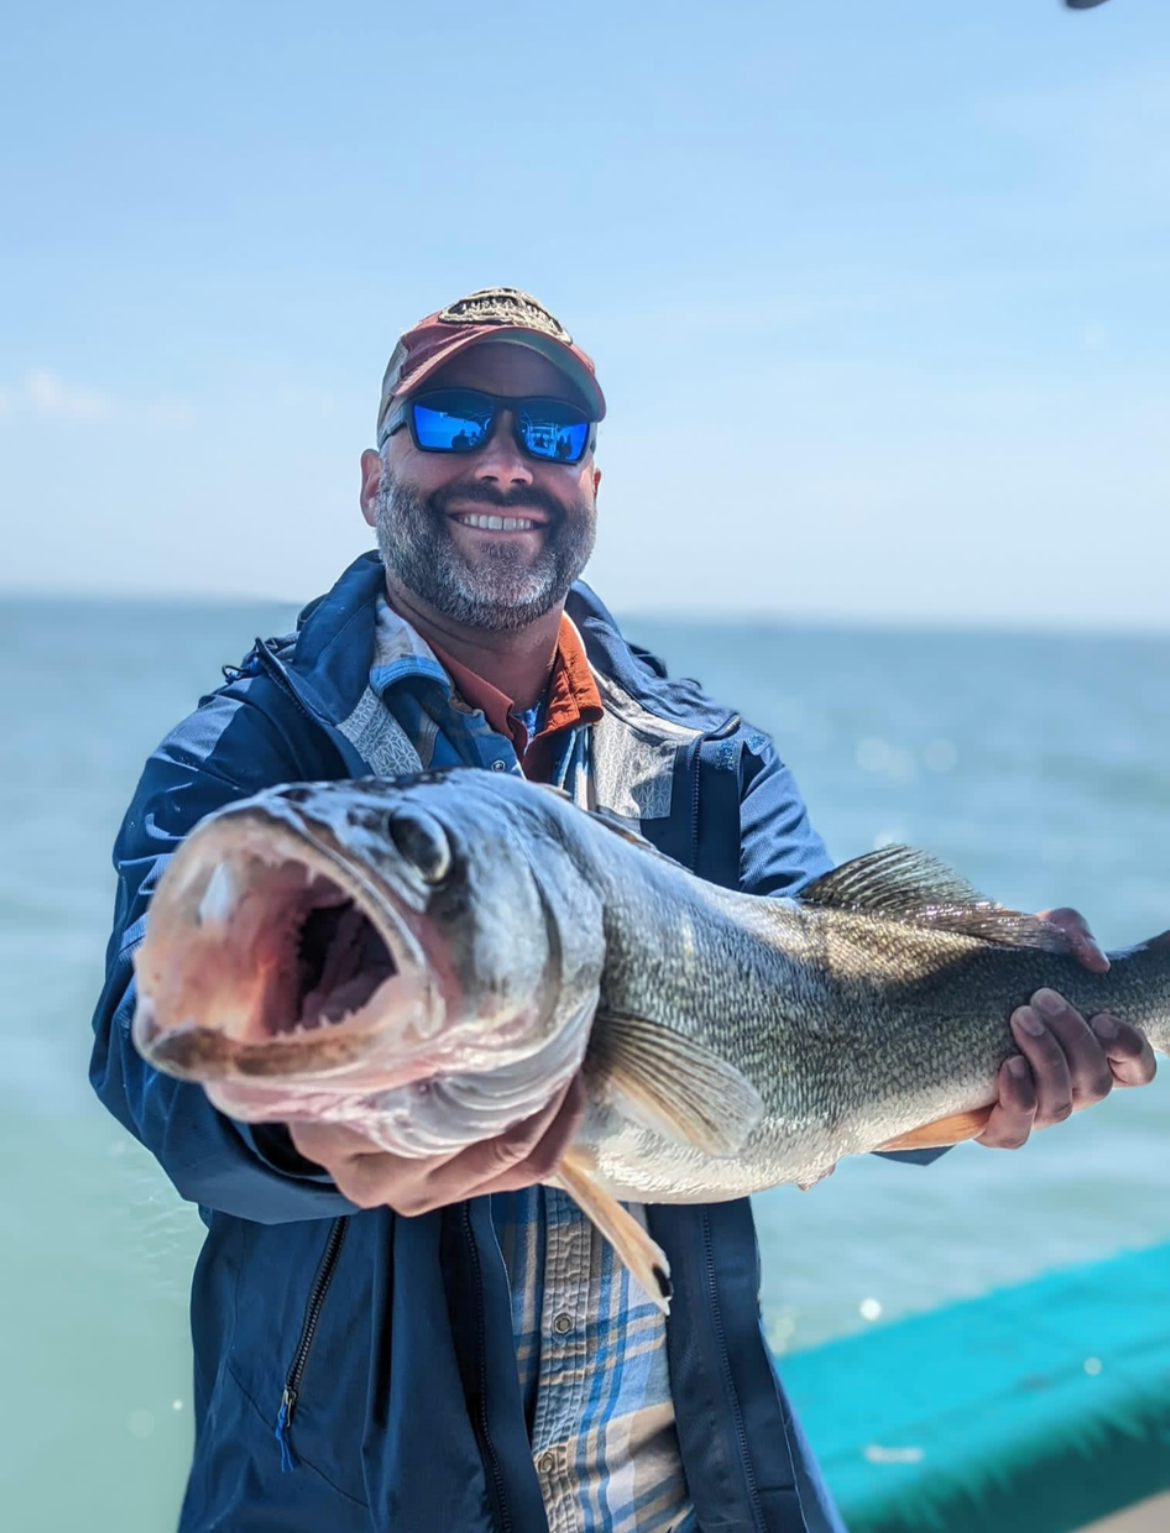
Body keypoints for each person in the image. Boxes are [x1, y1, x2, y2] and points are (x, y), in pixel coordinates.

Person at [90, 286, 1157, 1533]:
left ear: (593, 485)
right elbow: (147, 1043)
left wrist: (993, 1086)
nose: (501, 461)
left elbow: (827, 1056)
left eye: (549, 435)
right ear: (372, 477)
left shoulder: (714, 758)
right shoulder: (246, 758)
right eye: (448, 421)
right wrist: (303, 1144)